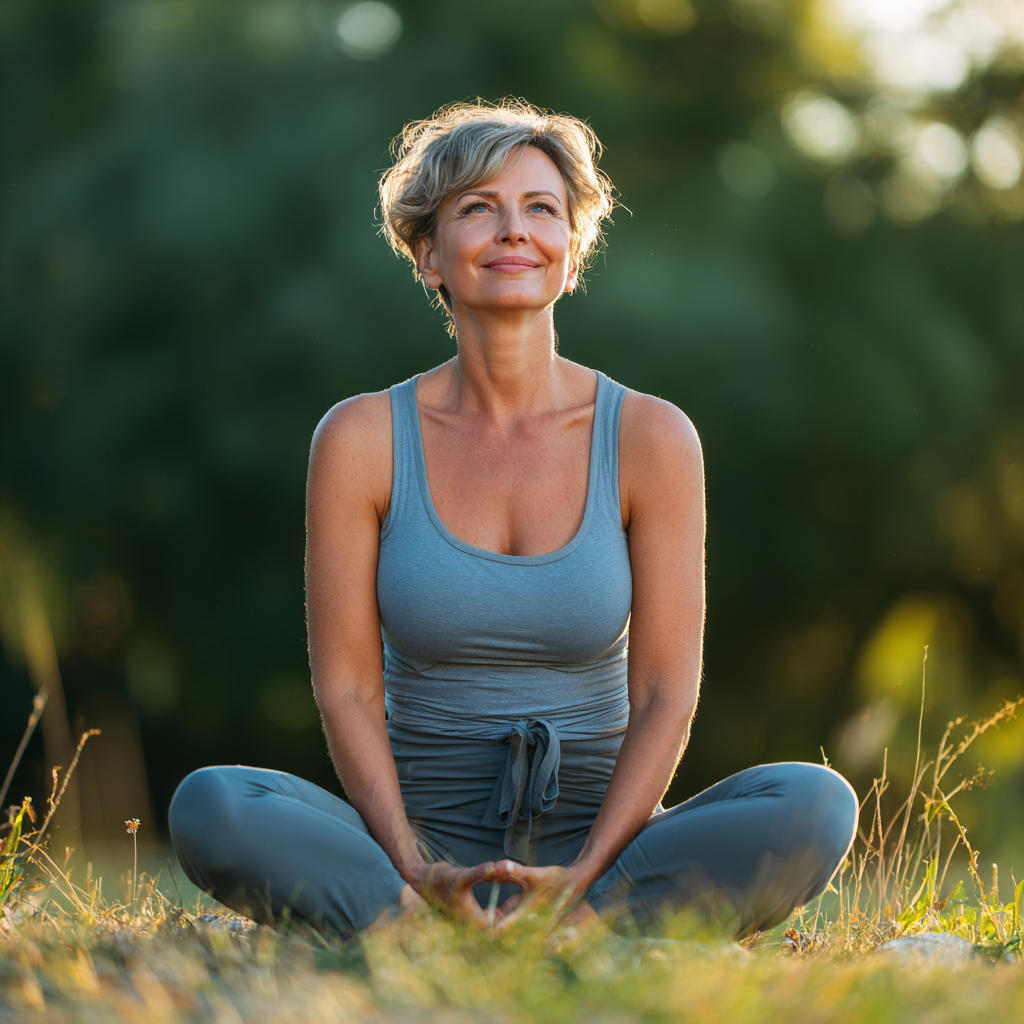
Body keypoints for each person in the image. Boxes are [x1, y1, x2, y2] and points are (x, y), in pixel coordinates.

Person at [168, 100, 858, 939]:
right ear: (428, 254)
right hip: (417, 849)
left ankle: (567, 926)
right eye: (477, 208)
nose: (512, 231)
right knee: (213, 803)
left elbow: (667, 692)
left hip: (601, 851)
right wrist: (414, 865)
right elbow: (347, 689)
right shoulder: (361, 439)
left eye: (540, 209)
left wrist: (583, 874)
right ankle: (426, 924)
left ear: (571, 256)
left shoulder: (650, 436)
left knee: (814, 802)